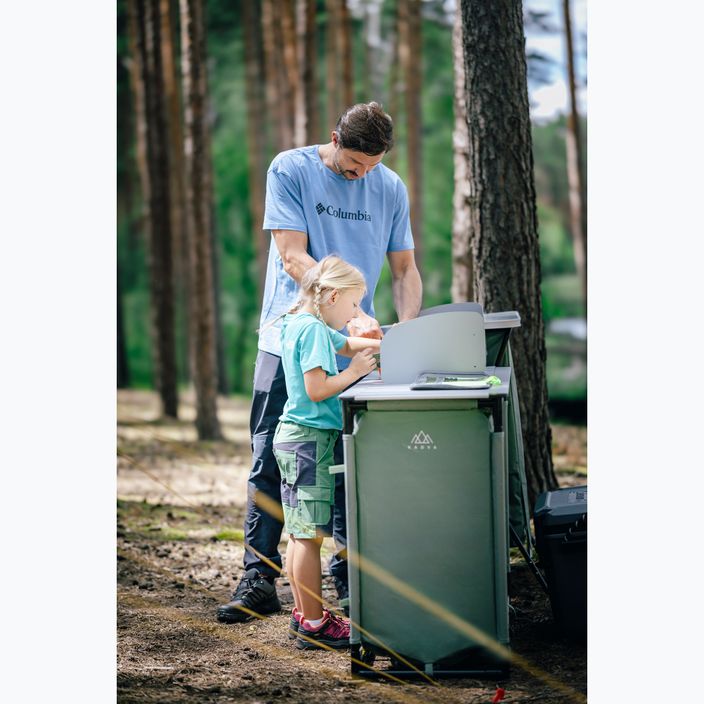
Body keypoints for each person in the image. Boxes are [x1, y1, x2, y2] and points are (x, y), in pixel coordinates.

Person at [217, 102, 422, 624]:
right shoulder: (290, 169)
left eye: (372, 166)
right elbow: (293, 255)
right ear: (334, 139)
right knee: (274, 455)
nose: (362, 175)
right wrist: (339, 315)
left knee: (353, 461)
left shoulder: (389, 187)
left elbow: (404, 270)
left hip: (359, 343)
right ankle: (258, 577)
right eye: (354, 164)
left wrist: (406, 334)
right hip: (290, 338)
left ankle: (348, 578)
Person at [274, 256, 379, 649]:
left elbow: (349, 344)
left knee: (300, 534)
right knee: (309, 536)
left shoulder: (300, 322)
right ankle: (316, 625)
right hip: (307, 441)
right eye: (353, 305)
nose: (355, 314)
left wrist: (383, 342)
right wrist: (354, 374)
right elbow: (317, 389)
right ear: (332, 296)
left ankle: (305, 616)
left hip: (294, 440)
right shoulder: (315, 331)